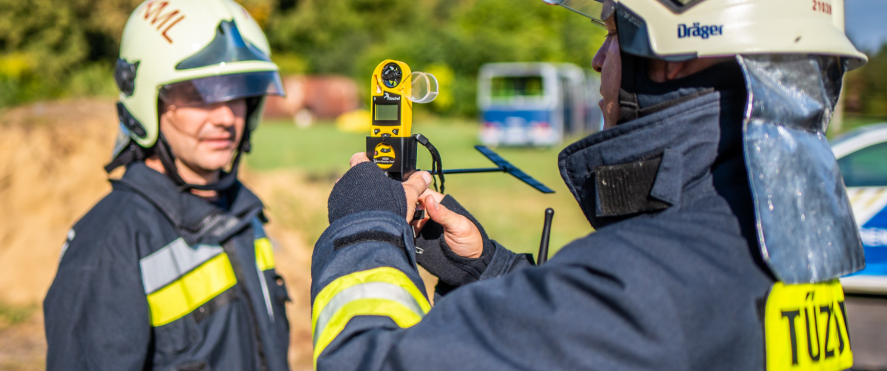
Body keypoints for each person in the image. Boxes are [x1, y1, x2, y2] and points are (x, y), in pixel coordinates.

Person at [309, 0, 867, 370]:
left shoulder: (651, 282)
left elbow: (367, 361)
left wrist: (364, 227)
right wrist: (485, 269)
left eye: (611, 32)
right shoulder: (778, 234)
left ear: (675, 57)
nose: (599, 60)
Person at [43, 0, 291, 369]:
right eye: (200, 94)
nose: (226, 116)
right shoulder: (108, 246)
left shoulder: (241, 213)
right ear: (147, 100)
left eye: (238, 91)